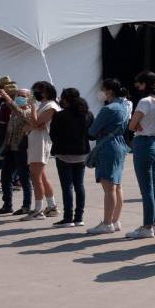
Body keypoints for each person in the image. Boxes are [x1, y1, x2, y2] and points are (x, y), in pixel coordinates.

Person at [126, 71, 155, 239]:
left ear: (145, 84)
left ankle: (147, 226)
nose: (137, 86)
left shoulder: (145, 101)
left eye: (139, 83)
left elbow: (131, 124)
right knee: (154, 188)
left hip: (144, 144)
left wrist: (135, 126)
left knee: (146, 189)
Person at [86, 79, 130, 234]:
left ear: (110, 91)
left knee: (108, 187)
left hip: (107, 146)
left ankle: (107, 223)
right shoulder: (124, 107)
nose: (101, 92)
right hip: (120, 144)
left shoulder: (108, 109)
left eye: (103, 89)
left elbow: (92, 131)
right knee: (117, 185)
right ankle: (115, 220)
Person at [49, 88, 94, 228]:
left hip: (63, 154)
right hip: (81, 153)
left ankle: (68, 218)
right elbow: (92, 134)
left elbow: (53, 135)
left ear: (66, 99)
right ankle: (79, 217)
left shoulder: (60, 115)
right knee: (79, 185)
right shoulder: (88, 114)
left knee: (67, 186)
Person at [19, 81, 60, 220]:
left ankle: (38, 209)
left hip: (42, 142)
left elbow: (37, 123)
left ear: (47, 92)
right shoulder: (42, 105)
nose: (36, 93)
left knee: (35, 177)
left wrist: (32, 109)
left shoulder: (51, 106)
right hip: (35, 140)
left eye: (39, 90)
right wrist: (33, 122)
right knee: (41, 176)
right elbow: (34, 124)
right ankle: (52, 206)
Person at [0, 83, 33, 217]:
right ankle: (7, 204)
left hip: (22, 149)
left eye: (23, 96)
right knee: (6, 177)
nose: (19, 98)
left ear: (29, 99)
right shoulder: (14, 113)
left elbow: (19, 111)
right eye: (18, 95)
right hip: (11, 148)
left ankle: (26, 205)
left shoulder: (27, 112)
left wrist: (7, 97)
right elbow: (9, 131)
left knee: (24, 178)